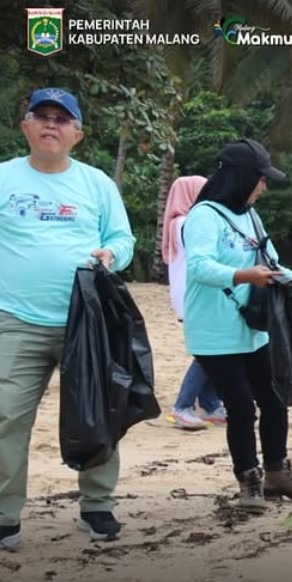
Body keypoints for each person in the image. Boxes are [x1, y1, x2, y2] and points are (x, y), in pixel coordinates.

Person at [0, 87, 136, 548]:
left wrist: (111, 252)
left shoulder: (97, 183)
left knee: (98, 411)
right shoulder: (3, 177)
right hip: (15, 319)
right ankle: (4, 516)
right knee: (6, 416)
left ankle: (97, 506)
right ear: (26, 126)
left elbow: (124, 238)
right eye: (42, 115)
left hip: (88, 319)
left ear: (77, 133)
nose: (51, 124)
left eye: (62, 119)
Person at [183, 138, 292, 511]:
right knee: (241, 407)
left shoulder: (251, 216)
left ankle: (277, 472)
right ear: (242, 177)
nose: (264, 186)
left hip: (254, 329)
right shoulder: (203, 217)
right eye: (260, 178)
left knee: (274, 401)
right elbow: (198, 267)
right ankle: (249, 481)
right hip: (214, 332)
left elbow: (272, 264)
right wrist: (244, 275)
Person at [161, 175, 226, 430]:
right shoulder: (187, 223)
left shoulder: (177, 223)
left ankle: (210, 404)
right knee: (207, 353)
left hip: (189, 295)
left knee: (214, 350)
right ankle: (182, 406)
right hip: (195, 296)